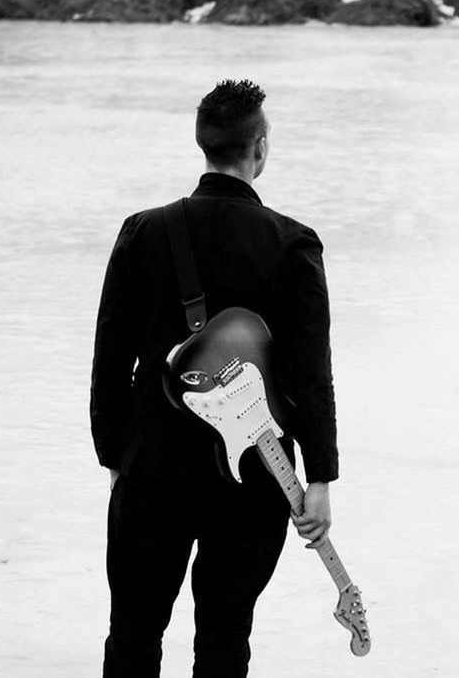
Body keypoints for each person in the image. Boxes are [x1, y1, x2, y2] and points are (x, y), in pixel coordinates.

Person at [90, 79, 339, 678]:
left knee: (132, 633)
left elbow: (108, 358)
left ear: (202, 144)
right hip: (254, 473)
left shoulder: (142, 231)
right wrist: (321, 475)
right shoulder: (292, 243)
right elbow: (311, 373)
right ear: (260, 148)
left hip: (152, 467)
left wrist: (115, 454)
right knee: (226, 637)